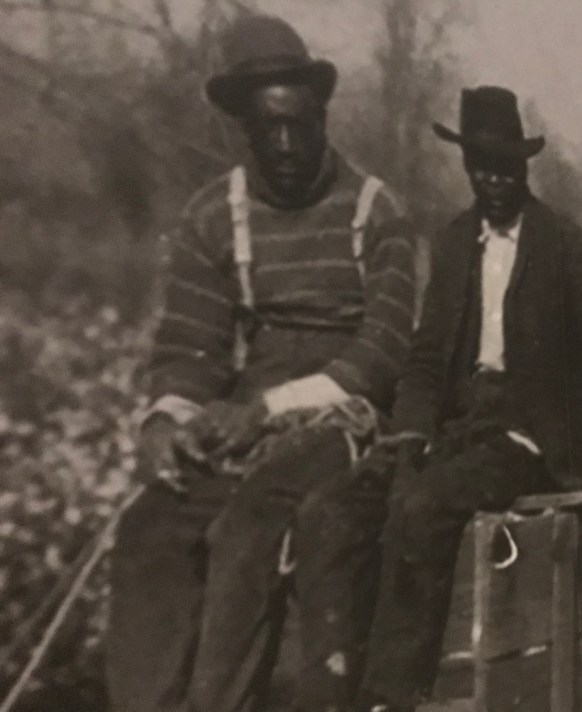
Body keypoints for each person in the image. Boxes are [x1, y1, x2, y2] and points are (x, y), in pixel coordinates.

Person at [105, 15, 416, 712]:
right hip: (251, 412)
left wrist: (268, 411)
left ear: (321, 117)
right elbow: (190, 346)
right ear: (240, 128)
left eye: (298, 126)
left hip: (345, 416)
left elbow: (383, 351)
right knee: (151, 529)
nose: (284, 146)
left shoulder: (375, 210)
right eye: (266, 129)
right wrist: (168, 418)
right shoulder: (214, 215)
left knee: (250, 526)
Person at [304, 85, 582, 712]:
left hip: (529, 432)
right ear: (466, 166)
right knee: (342, 503)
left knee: (425, 505)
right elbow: (428, 355)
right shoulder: (457, 241)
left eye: (504, 166)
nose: (492, 179)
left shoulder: (564, 245)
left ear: (523, 166)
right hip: (461, 422)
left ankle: (393, 694)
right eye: (480, 166)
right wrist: (411, 434)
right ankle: (330, 682)